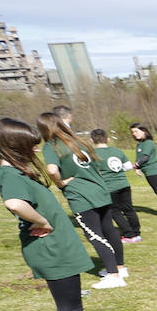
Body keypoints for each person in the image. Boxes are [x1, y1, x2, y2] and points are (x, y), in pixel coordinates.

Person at [0, 117, 136, 311]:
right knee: (70, 310)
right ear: (13, 145)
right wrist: (42, 221)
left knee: (74, 308)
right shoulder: (8, 173)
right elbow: (14, 203)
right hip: (50, 249)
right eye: (30, 144)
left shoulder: (16, 171)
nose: (36, 149)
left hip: (57, 247)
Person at [37, 112, 127, 289]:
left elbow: (52, 170)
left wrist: (61, 183)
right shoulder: (79, 141)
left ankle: (114, 275)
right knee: (109, 229)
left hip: (81, 197)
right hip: (101, 191)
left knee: (94, 234)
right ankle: (120, 267)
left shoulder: (52, 146)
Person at [91, 129, 142, 243]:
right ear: (108, 139)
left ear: (92, 140)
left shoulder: (93, 154)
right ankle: (136, 233)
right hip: (124, 184)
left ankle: (129, 235)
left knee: (114, 211)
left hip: (109, 187)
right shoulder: (117, 151)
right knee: (129, 209)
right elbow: (128, 166)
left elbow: (93, 172)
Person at [130, 123, 157, 217]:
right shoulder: (140, 144)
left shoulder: (148, 143)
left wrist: (136, 165)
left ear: (144, 131)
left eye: (136, 131)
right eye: (132, 132)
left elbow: (145, 157)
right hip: (148, 172)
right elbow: (139, 157)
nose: (134, 133)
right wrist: (137, 168)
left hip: (153, 171)